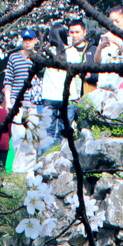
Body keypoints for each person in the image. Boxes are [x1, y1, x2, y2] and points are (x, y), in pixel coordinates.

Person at [37, 20, 90, 155]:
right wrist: (78, 94)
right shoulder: (72, 52)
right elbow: (78, 75)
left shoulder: (47, 53)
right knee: (64, 132)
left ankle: (45, 158)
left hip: (50, 97)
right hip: (68, 97)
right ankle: (62, 159)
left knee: (47, 133)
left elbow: (38, 70)